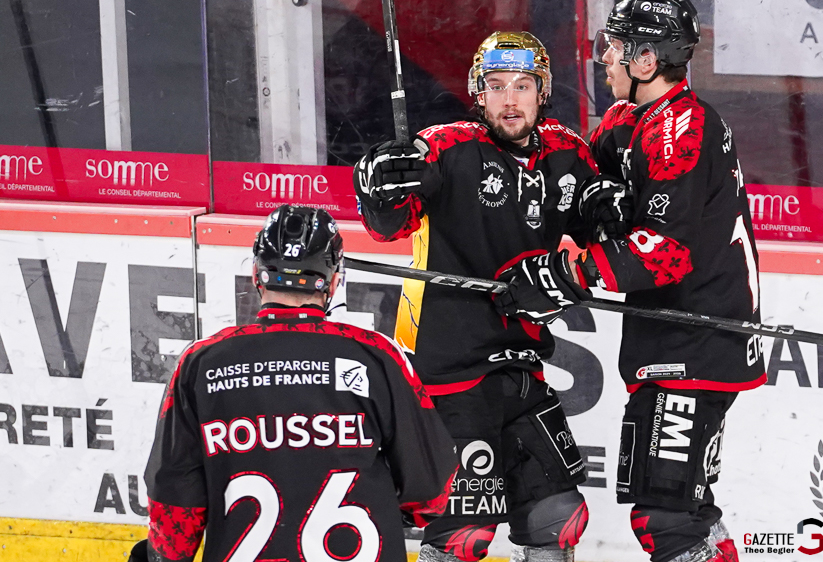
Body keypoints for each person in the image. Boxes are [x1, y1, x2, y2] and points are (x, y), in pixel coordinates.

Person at [353, 31, 611, 562]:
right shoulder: (448, 146)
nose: (509, 99)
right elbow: (389, 226)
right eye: (495, 86)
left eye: (522, 86)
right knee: (460, 535)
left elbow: (599, 246)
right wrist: (379, 187)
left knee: (557, 517)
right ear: (479, 92)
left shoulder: (569, 154)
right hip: (447, 370)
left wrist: (606, 221)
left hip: (522, 366)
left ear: (543, 92)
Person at [131, 205, 458, 562]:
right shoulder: (377, 357)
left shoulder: (200, 364)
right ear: (334, 281)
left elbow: (174, 510)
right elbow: (431, 492)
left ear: (257, 276)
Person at [575, 0, 767, 562]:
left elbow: (664, 253)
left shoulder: (683, 127)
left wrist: (572, 272)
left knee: (667, 514)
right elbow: (587, 186)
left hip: (700, 337)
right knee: (684, 509)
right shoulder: (630, 119)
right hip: (672, 334)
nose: (604, 58)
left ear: (646, 61)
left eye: (615, 47)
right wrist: (591, 200)